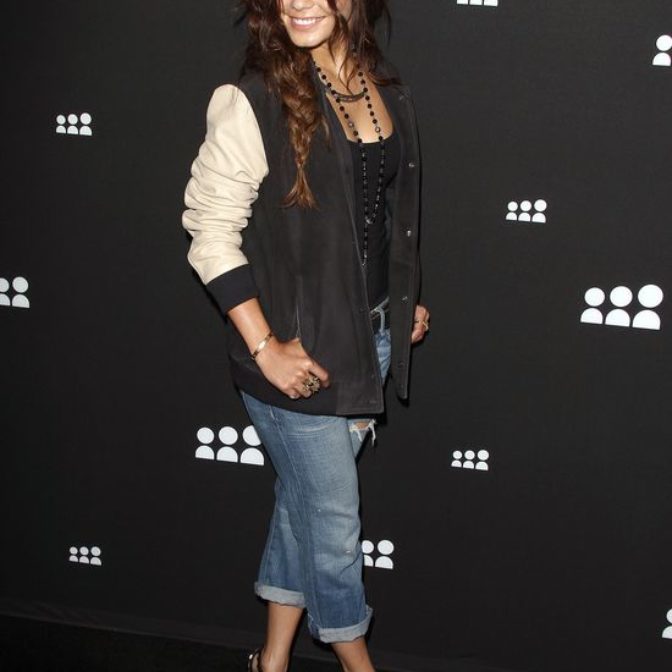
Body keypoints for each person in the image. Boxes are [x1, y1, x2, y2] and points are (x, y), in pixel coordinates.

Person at [181, 1, 429, 670]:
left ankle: (272, 660)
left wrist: (401, 301)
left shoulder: (384, 88)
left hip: (370, 342)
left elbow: (377, 219)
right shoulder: (252, 99)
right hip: (299, 357)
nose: (299, 0)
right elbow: (209, 231)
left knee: (303, 510)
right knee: (334, 527)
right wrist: (266, 348)